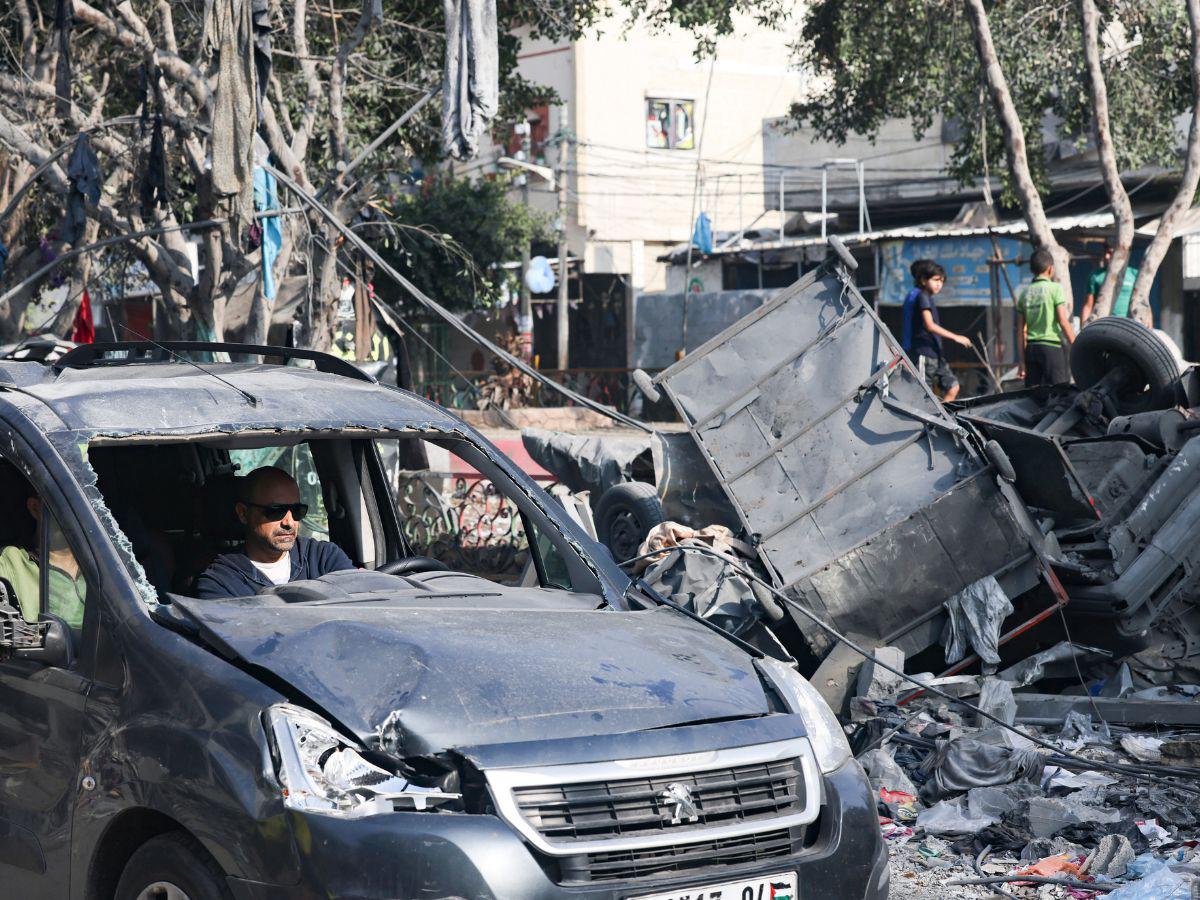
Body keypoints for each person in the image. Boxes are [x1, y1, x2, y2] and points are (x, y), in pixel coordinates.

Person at [195, 466, 354, 599]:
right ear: (243, 513)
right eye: (276, 511)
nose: (289, 522)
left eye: (297, 511)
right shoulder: (221, 582)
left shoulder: (324, 558)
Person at [0, 489, 86, 630]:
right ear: (35, 508)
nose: (77, 512)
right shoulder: (11, 562)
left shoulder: (108, 566)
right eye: (67, 502)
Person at [900, 259, 972, 401]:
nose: (940, 284)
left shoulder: (925, 297)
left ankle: (940, 421)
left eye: (942, 280)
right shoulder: (921, 296)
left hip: (936, 355)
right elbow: (929, 325)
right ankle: (926, 423)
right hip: (922, 354)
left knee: (953, 387)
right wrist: (956, 337)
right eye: (936, 279)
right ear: (922, 280)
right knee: (921, 396)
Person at [1017, 248, 1076, 387]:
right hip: (1051, 349)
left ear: (1032, 270)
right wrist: (1076, 344)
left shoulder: (1024, 294)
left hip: (1031, 350)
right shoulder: (1055, 289)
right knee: (1059, 394)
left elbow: (1020, 332)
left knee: (1034, 397)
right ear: (1050, 269)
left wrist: (1021, 361)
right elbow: (1062, 320)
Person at [1081, 243, 1137, 323]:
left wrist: (1149, 331)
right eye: (1106, 253)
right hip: (1104, 324)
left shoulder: (1134, 274)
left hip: (1130, 325)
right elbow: (1088, 305)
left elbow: (1144, 304)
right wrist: (1083, 329)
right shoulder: (1096, 275)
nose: (1106, 257)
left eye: (1111, 253)